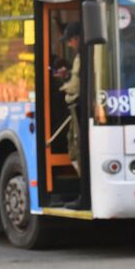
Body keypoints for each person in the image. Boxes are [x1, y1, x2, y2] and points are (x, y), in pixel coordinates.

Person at [53, 21, 82, 175]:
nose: (70, 45)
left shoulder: (82, 55)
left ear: (77, 38)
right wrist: (68, 75)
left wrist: (62, 86)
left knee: (76, 148)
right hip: (77, 111)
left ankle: (84, 188)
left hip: (79, 111)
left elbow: (77, 87)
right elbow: (78, 78)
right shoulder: (80, 56)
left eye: (70, 40)